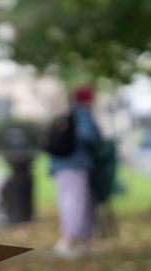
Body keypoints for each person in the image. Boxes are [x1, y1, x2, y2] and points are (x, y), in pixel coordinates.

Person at [50, 86, 102, 259]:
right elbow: (88, 136)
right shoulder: (83, 114)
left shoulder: (69, 114)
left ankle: (82, 243)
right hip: (77, 166)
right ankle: (68, 242)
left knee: (73, 203)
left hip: (61, 166)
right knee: (76, 204)